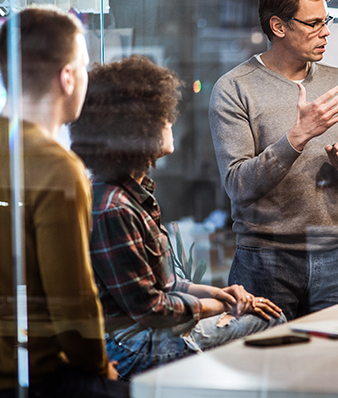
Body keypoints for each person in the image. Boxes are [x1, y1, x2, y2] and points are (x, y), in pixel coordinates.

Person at [69, 56, 285, 380]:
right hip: (135, 348)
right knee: (267, 325)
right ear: (135, 130)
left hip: (152, 334)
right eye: (161, 117)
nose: (170, 122)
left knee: (268, 316)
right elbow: (152, 309)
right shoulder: (115, 205)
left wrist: (220, 295)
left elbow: (165, 285)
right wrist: (225, 308)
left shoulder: (134, 194)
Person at [209, 0, 338, 320]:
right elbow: (238, 185)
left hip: (335, 256)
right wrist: (297, 137)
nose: (326, 32)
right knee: (267, 370)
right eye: (314, 23)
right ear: (279, 26)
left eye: (325, 21)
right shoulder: (234, 89)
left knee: (334, 366)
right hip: (264, 259)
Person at [0, 7, 128, 397]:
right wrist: (98, 366)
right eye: (84, 67)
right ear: (67, 77)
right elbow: (73, 301)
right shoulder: (57, 167)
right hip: (38, 376)